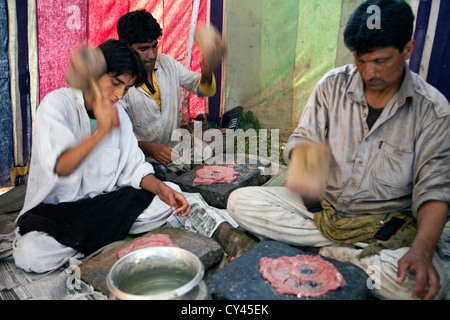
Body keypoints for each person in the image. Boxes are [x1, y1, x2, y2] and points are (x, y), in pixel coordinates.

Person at [227, 0, 449, 300]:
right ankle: (344, 255)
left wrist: (422, 251)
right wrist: (304, 165)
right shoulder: (332, 85)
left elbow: (434, 191)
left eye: (380, 61)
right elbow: (303, 141)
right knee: (240, 203)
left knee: (423, 288)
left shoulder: (433, 110)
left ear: (407, 50)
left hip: (383, 225)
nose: (368, 73)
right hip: (323, 212)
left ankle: (330, 254)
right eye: (360, 59)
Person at [13, 39, 191, 273]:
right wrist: (101, 133)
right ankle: (102, 240)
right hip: (59, 213)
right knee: (31, 255)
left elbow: (134, 168)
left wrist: (161, 189)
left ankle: (92, 241)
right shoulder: (56, 105)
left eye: (126, 89)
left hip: (104, 206)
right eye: (115, 83)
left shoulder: (119, 115)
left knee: (175, 197)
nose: (118, 95)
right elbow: (61, 165)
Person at [116, 10, 225, 176]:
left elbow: (203, 89)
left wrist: (208, 70)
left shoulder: (166, 63)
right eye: (143, 49)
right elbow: (116, 136)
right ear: (126, 47)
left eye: (154, 46)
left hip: (174, 148)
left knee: (220, 145)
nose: (151, 55)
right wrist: (148, 147)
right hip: (141, 157)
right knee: (157, 180)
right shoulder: (119, 83)